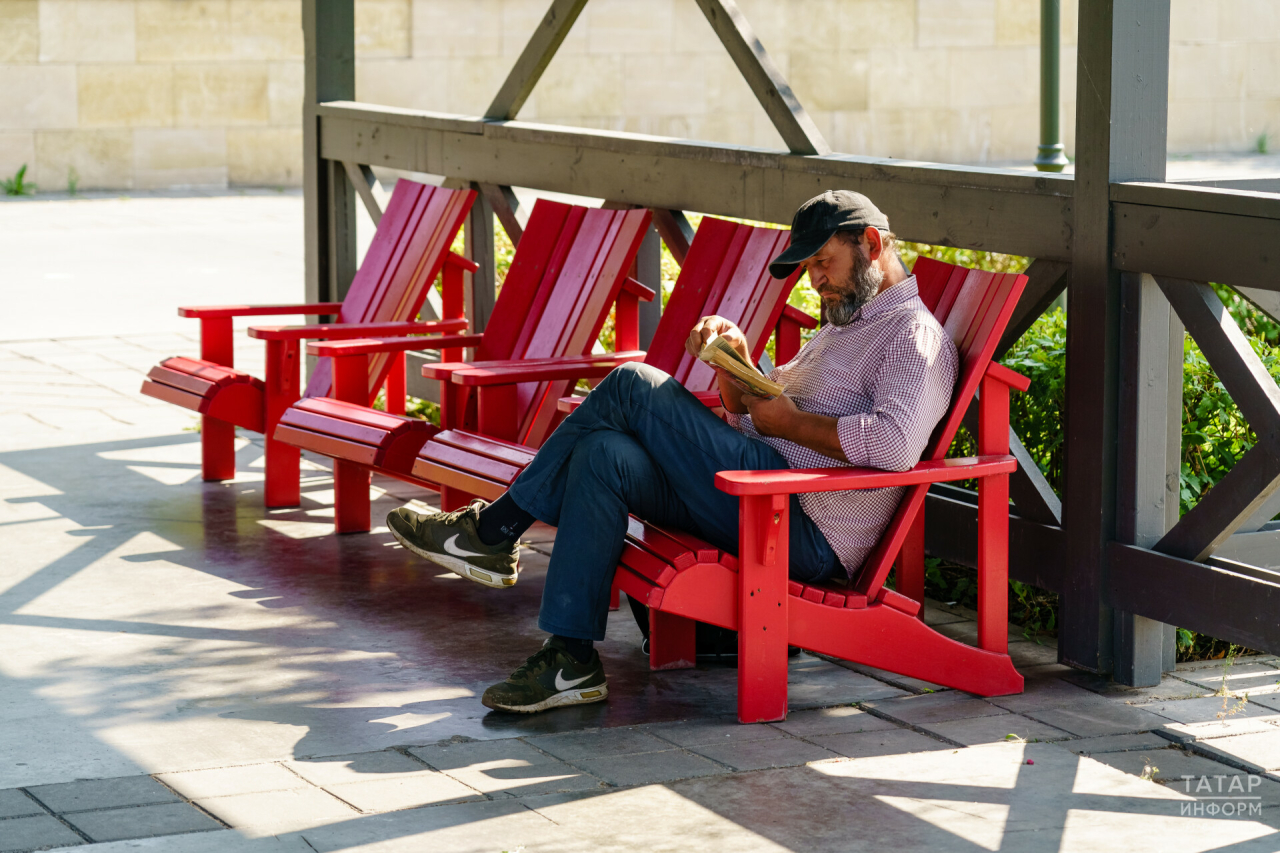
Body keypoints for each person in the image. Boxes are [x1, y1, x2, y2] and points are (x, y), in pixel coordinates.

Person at [386, 190, 959, 714]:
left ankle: (495, 531)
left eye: (822, 263)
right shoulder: (842, 327)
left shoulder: (914, 336)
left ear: (873, 244)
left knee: (634, 382)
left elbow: (897, 444)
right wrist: (736, 365)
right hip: (756, 494)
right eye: (808, 268)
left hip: (800, 524)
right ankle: (570, 660)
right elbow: (758, 414)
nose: (814, 282)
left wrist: (789, 419)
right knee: (604, 453)